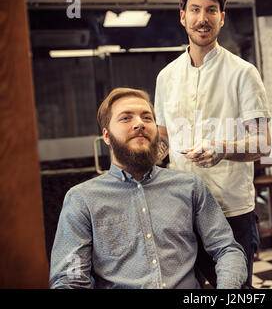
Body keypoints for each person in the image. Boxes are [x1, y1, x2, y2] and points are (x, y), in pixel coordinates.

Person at [49, 87, 247, 289]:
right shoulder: (82, 199)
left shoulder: (189, 186)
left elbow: (227, 249)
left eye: (147, 117)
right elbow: (69, 279)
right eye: (126, 118)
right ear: (106, 137)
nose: (139, 124)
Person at [154, 0, 271, 287]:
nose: (202, 18)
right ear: (183, 16)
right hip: (181, 210)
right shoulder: (165, 77)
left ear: (222, 17)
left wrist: (222, 148)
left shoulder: (244, 73)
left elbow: (264, 144)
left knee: (234, 289)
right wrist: (138, 159)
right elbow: (163, 141)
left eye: (211, 10)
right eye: (194, 10)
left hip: (231, 211)